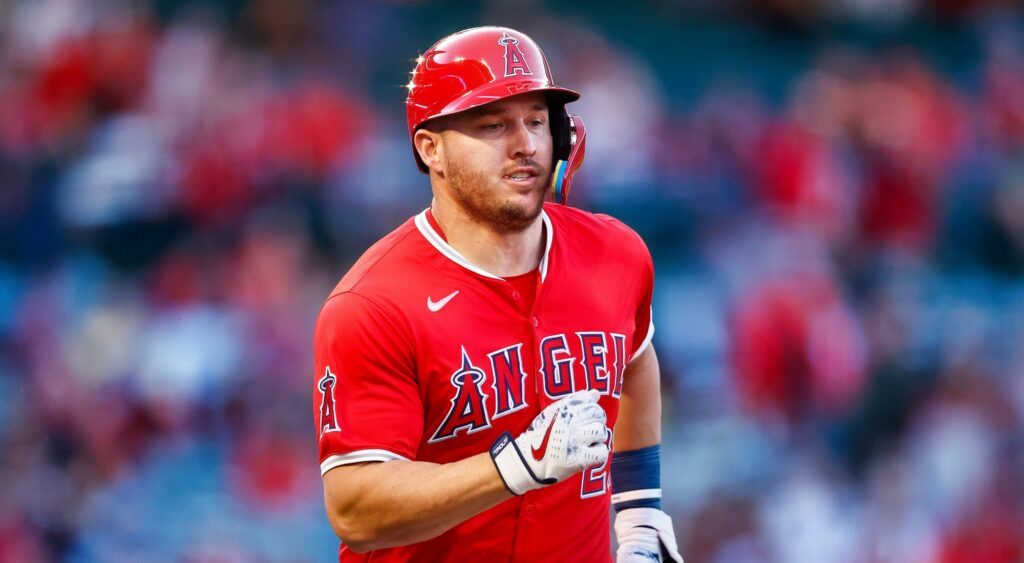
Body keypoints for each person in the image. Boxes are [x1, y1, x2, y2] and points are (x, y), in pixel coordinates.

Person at [313, 26, 684, 562]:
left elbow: (637, 362)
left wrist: (640, 511)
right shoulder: (374, 305)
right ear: (430, 148)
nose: (525, 144)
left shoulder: (615, 253)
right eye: (493, 125)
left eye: (536, 121)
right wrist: (513, 468)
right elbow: (354, 509)